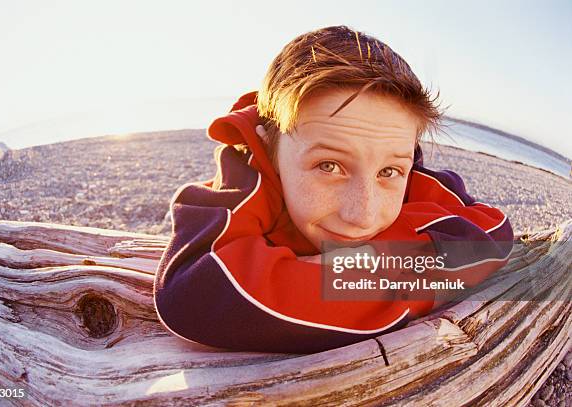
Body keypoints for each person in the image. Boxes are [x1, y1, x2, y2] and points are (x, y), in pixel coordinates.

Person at [153, 26, 513, 354]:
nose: (363, 215)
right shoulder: (243, 182)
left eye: (389, 170)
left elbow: (493, 236)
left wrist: (377, 260)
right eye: (329, 166)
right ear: (268, 149)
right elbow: (194, 294)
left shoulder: (415, 176)